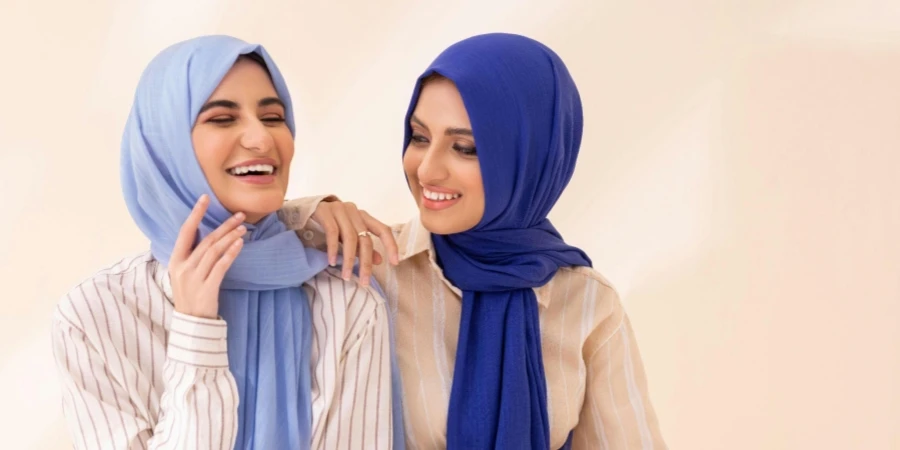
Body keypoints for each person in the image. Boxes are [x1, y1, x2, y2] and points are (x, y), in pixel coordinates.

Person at [284, 33, 667, 449]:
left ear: (528, 158)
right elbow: (232, 241)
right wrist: (306, 210)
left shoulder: (588, 304)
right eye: (419, 137)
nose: (427, 170)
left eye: (464, 147)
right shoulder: (371, 263)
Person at [51, 35, 396, 450]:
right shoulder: (95, 317)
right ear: (166, 146)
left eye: (272, 117)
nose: (261, 139)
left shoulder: (347, 300)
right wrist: (196, 329)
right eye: (221, 119)